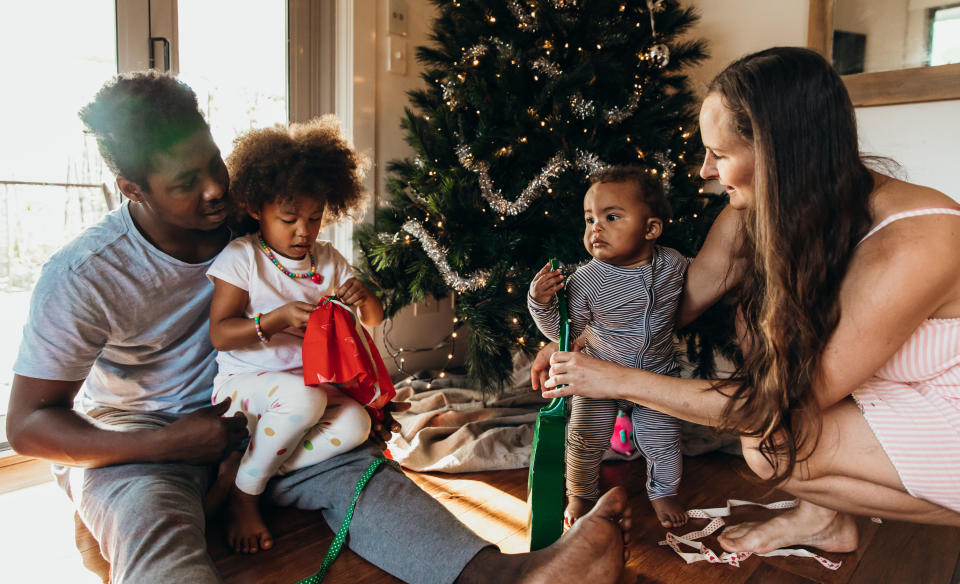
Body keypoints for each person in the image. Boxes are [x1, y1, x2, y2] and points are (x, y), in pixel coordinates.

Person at [7, 70, 631, 584]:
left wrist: (358, 388)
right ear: (132, 189)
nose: (215, 190)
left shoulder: (258, 225)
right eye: (184, 184)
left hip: (270, 423)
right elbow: (29, 426)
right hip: (147, 445)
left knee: (367, 478)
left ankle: (518, 579)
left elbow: (333, 318)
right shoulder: (85, 274)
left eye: (212, 164)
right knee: (158, 539)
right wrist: (167, 445)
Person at [535, 46, 960, 557]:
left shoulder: (915, 243)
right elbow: (672, 303)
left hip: (949, 411)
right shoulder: (757, 212)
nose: (704, 171)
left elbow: (769, 404)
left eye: (719, 153)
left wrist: (612, 379)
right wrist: (579, 339)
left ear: (780, 152)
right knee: (771, 428)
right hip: (898, 396)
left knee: (774, 441)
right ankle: (824, 519)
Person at [206, 117, 383, 553]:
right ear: (255, 208)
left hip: (306, 392)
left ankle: (249, 473)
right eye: (289, 219)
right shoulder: (243, 257)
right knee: (308, 399)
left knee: (358, 423)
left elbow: (374, 321)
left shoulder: (328, 260)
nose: (303, 231)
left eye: (315, 218)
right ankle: (245, 500)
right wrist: (277, 318)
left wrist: (366, 298)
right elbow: (220, 335)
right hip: (242, 390)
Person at [528, 166, 688, 529]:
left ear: (651, 229)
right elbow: (564, 330)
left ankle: (663, 491)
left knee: (664, 442)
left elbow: (704, 285)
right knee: (584, 439)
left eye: (611, 217)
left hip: (656, 376)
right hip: (597, 378)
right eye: (589, 219)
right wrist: (540, 302)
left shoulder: (673, 264)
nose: (595, 228)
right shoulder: (587, 279)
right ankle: (580, 493)